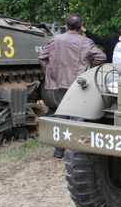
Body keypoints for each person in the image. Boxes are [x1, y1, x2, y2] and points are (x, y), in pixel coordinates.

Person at [39, 14, 106, 158]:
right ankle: (74, 150)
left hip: (61, 83)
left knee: (62, 114)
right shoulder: (85, 42)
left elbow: (42, 57)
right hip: (79, 84)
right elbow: (101, 57)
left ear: (67, 25)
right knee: (77, 116)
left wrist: (50, 72)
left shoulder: (55, 40)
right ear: (81, 27)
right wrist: (88, 70)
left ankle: (59, 151)